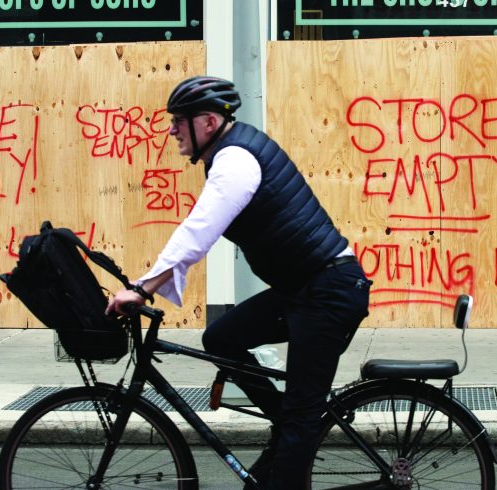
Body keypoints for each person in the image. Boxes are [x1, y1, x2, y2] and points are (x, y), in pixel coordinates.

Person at [106, 76, 371, 489]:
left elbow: (200, 229)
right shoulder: (231, 153)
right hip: (304, 289)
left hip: (326, 292)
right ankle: (286, 419)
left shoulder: (236, 161)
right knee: (222, 338)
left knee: (301, 422)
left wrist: (143, 288)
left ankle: (291, 432)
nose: (171, 129)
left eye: (179, 120)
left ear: (208, 122)